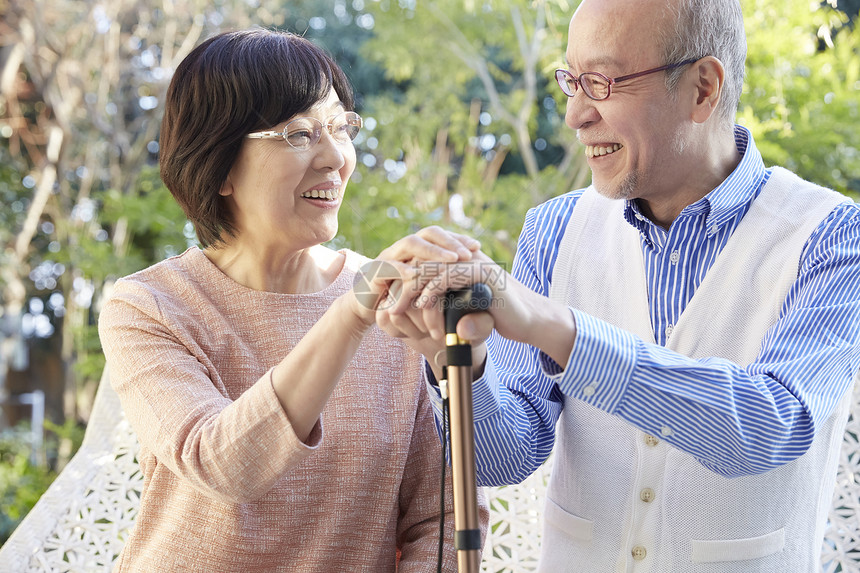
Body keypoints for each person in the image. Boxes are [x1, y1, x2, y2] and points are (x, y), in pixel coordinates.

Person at [377, 0, 860, 571]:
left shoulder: (831, 235)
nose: (575, 115)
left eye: (603, 82)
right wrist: (456, 360)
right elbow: (505, 456)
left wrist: (554, 327)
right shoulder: (554, 228)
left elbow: (771, 424)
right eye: (572, 82)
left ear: (703, 88)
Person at [97, 28, 487, 573]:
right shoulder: (151, 307)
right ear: (221, 164)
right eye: (299, 134)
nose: (335, 158)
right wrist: (351, 315)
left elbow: (440, 518)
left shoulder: (392, 301)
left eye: (339, 128)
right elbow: (220, 465)